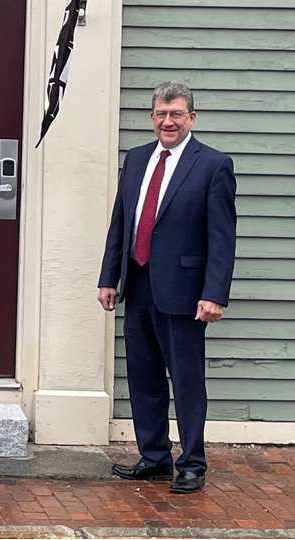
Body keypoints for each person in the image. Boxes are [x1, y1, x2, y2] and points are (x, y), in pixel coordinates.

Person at [97, 81, 236, 494]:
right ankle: (154, 457)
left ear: (191, 117)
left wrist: (214, 294)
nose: (168, 121)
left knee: (187, 380)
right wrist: (109, 277)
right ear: (152, 117)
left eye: (176, 113)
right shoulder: (137, 159)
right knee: (143, 376)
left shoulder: (212, 164)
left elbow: (222, 237)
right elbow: (120, 222)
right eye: (161, 113)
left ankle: (192, 462)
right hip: (138, 283)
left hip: (185, 292)